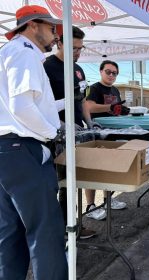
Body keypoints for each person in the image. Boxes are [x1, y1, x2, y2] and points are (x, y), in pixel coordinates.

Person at [0, 5, 67, 279]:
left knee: (10, 232)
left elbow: (24, 105)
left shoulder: (7, 53)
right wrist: (54, 132)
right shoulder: (25, 53)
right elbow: (22, 107)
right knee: (45, 231)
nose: (55, 35)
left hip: (7, 150)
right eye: (51, 28)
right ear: (33, 26)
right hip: (23, 150)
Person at [44, 25, 99, 236]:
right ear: (59, 42)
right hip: (55, 136)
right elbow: (42, 105)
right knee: (61, 185)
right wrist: (62, 125)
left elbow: (82, 99)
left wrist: (89, 122)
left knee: (74, 182)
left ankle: (73, 226)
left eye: (80, 48)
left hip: (77, 133)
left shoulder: (78, 69)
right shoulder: (48, 67)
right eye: (74, 48)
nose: (77, 52)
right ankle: (64, 231)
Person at [85, 60, 129, 219]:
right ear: (101, 71)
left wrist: (122, 111)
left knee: (110, 168)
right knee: (93, 169)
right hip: (96, 134)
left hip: (113, 133)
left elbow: (115, 109)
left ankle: (108, 199)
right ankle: (90, 206)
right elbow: (88, 106)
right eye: (108, 72)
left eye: (114, 73)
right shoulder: (94, 88)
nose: (111, 75)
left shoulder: (115, 90)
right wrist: (109, 107)